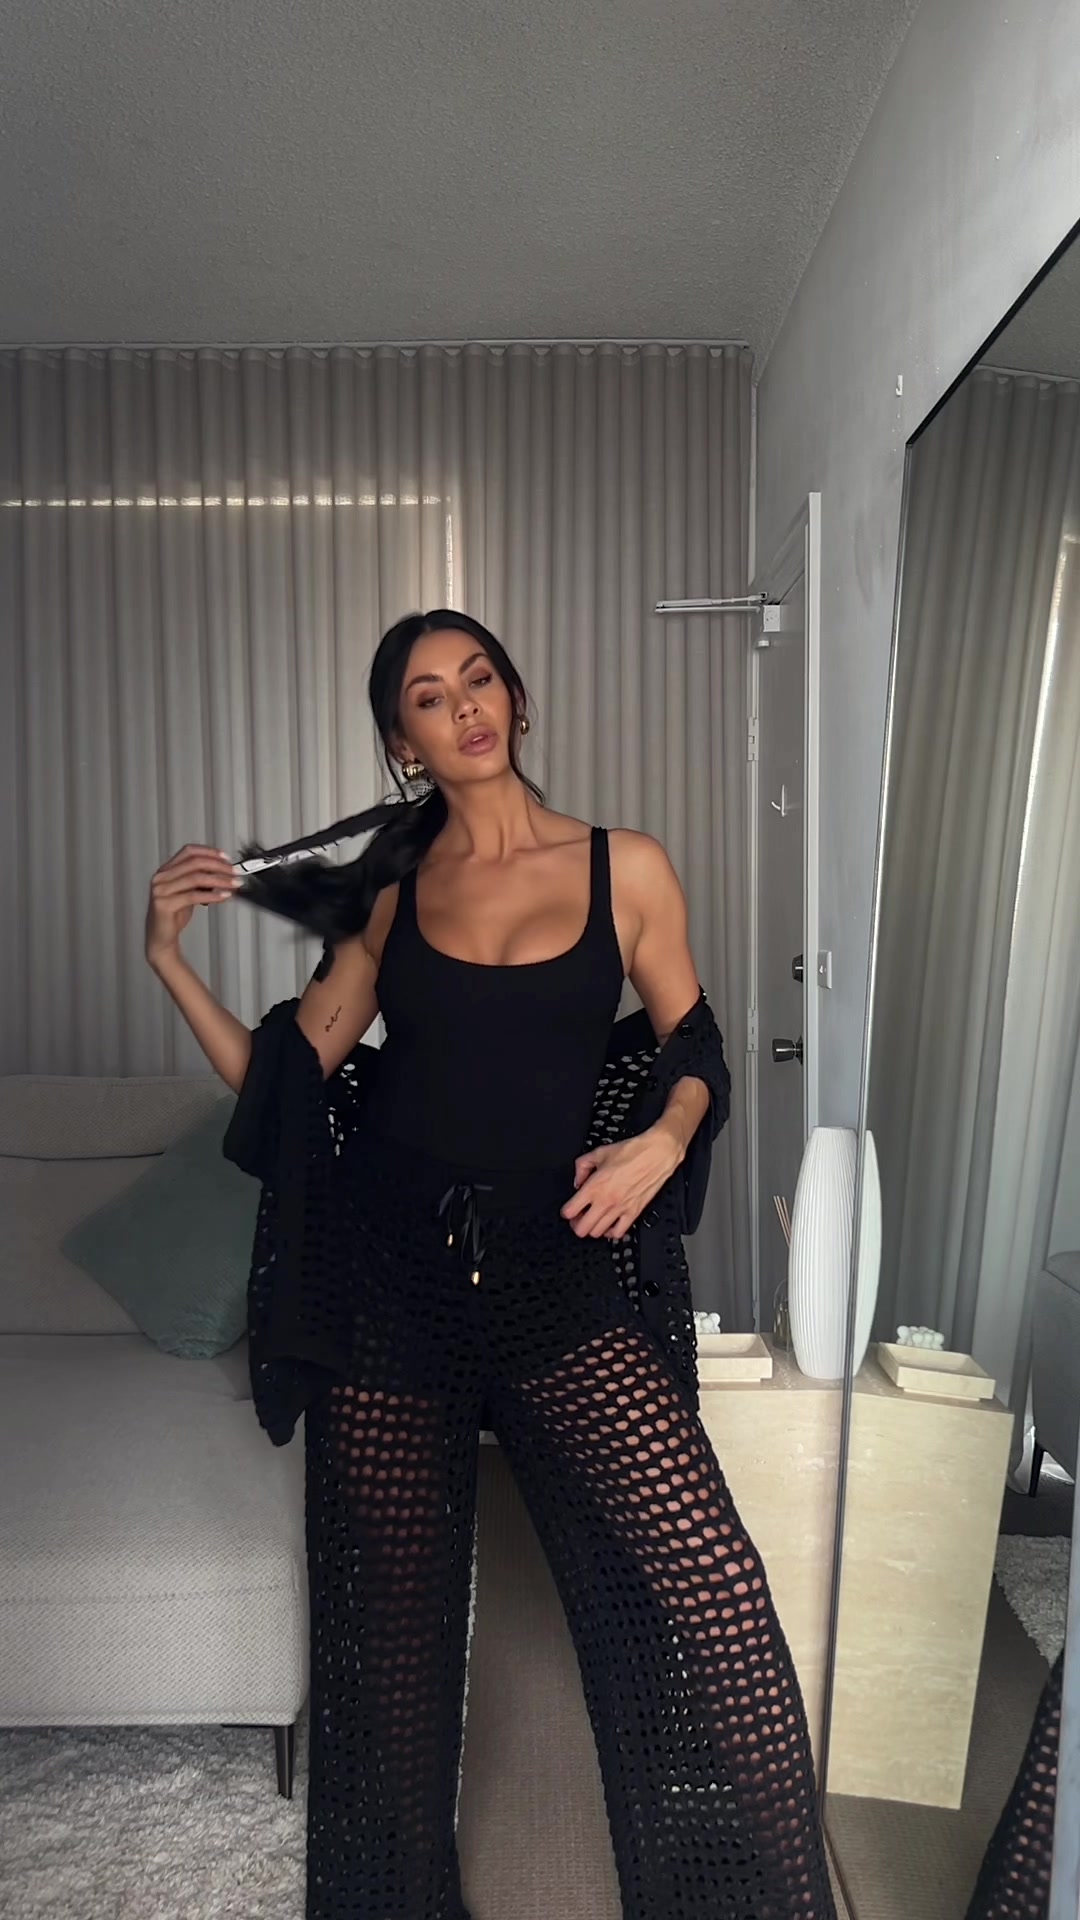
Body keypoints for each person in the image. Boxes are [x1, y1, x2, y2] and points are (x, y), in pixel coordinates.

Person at [145, 609, 836, 1920]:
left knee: (714, 1585)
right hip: (389, 1279)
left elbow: (693, 1042)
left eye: (476, 678)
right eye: (426, 694)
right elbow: (289, 1079)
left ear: (515, 698)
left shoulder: (624, 865)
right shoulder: (392, 888)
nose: (460, 703)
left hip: (553, 1273)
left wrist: (661, 1141)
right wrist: (167, 963)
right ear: (402, 741)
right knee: (391, 1655)